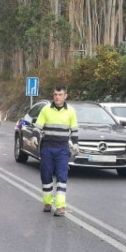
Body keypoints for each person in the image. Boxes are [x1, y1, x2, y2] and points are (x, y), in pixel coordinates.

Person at [34, 86, 79, 216]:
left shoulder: (71, 111)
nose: (57, 97)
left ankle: (60, 206)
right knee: (46, 175)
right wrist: (34, 137)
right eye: (55, 94)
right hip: (47, 147)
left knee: (61, 176)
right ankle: (47, 202)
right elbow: (37, 127)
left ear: (65, 96)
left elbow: (74, 130)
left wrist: (75, 144)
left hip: (62, 149)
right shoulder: (45, 109)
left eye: (60, 94)